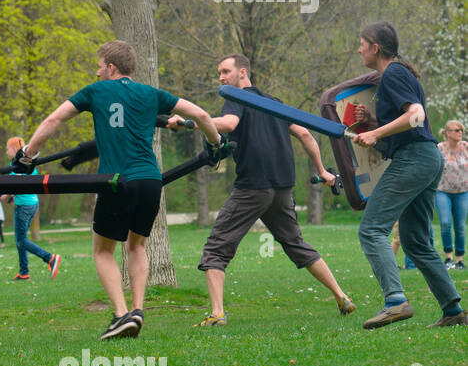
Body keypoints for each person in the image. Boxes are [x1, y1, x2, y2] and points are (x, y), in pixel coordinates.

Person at [15, 41, 221, 340]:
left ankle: (121, 313)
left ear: (111, 67)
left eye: (99, 65)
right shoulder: (151, 94)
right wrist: (215, 144)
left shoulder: (95, 92)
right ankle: (137, 310)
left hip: (116, 182)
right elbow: (202, 116)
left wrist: (28, 154)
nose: (97, 71)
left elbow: (53, 119)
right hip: (151, 181)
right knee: (136, 246)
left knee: (102, 250)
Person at [182, 55, 355, 326]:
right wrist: (322, 171)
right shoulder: (274, 103)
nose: (221, 78)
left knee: (216, 248)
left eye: (225, 71)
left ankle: (217, 314)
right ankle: (342, 296)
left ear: (242, 72)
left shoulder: (236, 98)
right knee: (296, 244)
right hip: (282, 189)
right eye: (218, 73)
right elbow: (306, 135)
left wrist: (194, 121)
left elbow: (228, 124)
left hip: (253, 188)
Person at [349, 22, 464, 328]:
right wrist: (373, 120)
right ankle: (453, 310)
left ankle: (395, 301)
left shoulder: (394, 73)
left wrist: (376, 134)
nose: (358, 49)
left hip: (414, 158)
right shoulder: (398, 74)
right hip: (426, 159)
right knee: (415, 241)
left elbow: (416, 115)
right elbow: (404, 120)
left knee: (372, 229)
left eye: (362, 44)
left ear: (375, 48)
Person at [2, 136, 61, 280]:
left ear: (15, 149)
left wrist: (6, 195)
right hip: (33, 204)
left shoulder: (16, 165)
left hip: (24, 206)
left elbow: (16, 183)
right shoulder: (28, 163)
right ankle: (24, 272)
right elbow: (27, 182)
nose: (6, 152)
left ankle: (50, 258)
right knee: (20, 239)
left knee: (21, 240)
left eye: (7, 149)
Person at [434, 120, 467, 270]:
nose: (459, 132)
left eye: (461, 130)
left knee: (460, 226)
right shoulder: (439, 148)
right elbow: (432, 166)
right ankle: (448, 257)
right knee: (445, 223)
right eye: (456, 130)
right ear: (447, 133)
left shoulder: (466, 147)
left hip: (463, 192)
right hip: (442, 191)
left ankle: (460, 260)